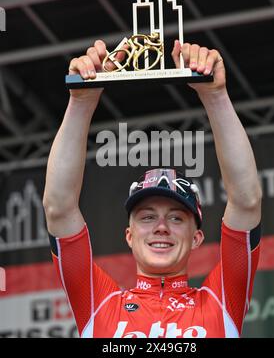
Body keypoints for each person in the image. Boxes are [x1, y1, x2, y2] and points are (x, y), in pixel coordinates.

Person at [43, 39, 262, 338]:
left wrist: (216, 95)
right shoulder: (99, 304)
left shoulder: (220, 302)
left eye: (176, 218)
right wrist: (81, 103)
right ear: (129, 236)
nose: (161, 227)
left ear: (196, 237)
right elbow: (58, 208)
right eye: (147, 217)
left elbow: (246, 201)